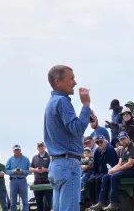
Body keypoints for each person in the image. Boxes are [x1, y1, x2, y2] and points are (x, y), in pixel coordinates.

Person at [44, 65, 91, 210]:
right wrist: (86, 105)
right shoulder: (63, 101)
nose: (75, 83)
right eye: (71, 79)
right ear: (58, 82)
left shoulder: (51, 103)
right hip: (68, 163)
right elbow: (77, 129)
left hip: (56, 165)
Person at [90, 132, 134, 211]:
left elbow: (130, 164)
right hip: (125, 169)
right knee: (105, 177)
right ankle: (101, 201)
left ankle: (114, 202)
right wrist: (112, 170)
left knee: (115, 176)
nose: (123, 141)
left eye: (124, 139)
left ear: (128, 138)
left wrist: (115, 171)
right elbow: (119, 163)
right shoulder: (123, 149)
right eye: (121, 140)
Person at [86, 135, 118, 206]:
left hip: (109, 171)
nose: (99, 144)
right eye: (97, 143)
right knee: (90, 181)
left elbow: (112, 165)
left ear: (105, 141)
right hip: (100, 172)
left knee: (98, 180)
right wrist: (94, 174)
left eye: (101, 142)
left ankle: (100, 202)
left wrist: (100, 174)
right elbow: (95, 165)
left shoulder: (110, 149)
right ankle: (93, 203)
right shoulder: (97, 151)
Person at [5, 145, 30, 211]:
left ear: (20, 150)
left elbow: (30, 171)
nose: (17, 151)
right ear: (13, 151)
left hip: (23, 181)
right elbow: (6, 171)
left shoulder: (26, 159)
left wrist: (22, 171)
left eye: (18, 150)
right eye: (15, 150)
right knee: (13, 201)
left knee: (25, 201)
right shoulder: (10, 160)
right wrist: (13, 171)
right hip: (13, 181)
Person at [29, 142, 52, 211]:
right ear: (37, 148)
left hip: (47, 181)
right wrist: (36, 170)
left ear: (45, 147)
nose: (40, 148)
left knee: (48, 203)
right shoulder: (34, 157)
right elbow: (30, 168)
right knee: (39, 203)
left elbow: (53, 168)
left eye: (42, 146)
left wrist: (45, 170)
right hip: (37, 182)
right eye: (39, 146)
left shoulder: (49, 157)